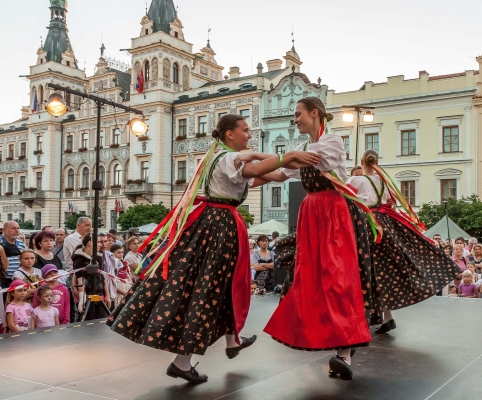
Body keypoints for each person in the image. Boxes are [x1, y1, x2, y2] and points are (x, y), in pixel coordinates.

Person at [107, 113, 321, 383]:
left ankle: (231, 342)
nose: (249, 134)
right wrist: (289, 156)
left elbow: (271, 176)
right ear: (229, 134)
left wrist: (294, 165)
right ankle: (185, 361)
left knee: (222, 284)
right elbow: (257, 170)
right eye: (245, 130)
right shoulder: (227, 157)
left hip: (217, 224)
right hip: (220, 226)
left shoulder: (220, 158)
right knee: (211, 288)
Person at [261, 97, 381, 381]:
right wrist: (250, 174)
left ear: (314, 113)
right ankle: (332, 342)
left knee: (337, 277)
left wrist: (288, 157)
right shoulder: (303, 147)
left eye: (298, 114)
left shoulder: (334, 141)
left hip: (332, 211)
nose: (295, 119)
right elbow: (281, 173)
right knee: (313, 278)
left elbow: (316, 160)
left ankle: (345, 351)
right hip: (312, 212)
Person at [346, 150, 460, 335]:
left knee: (363, 270)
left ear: (361, 161)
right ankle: (387, 317)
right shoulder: (383, 181)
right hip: (386, 225)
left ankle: (364, 319)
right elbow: (390, 201)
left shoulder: (355, 181)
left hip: (366, 225)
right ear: (376, 161)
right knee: (383, 271)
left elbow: (346, 200)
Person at [0, 221, 26, 286]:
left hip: (19, 279)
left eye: (18, 228)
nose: (16, 231)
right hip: (4, 280)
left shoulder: (21, 244)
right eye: (13, 228)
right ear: (4, 230)